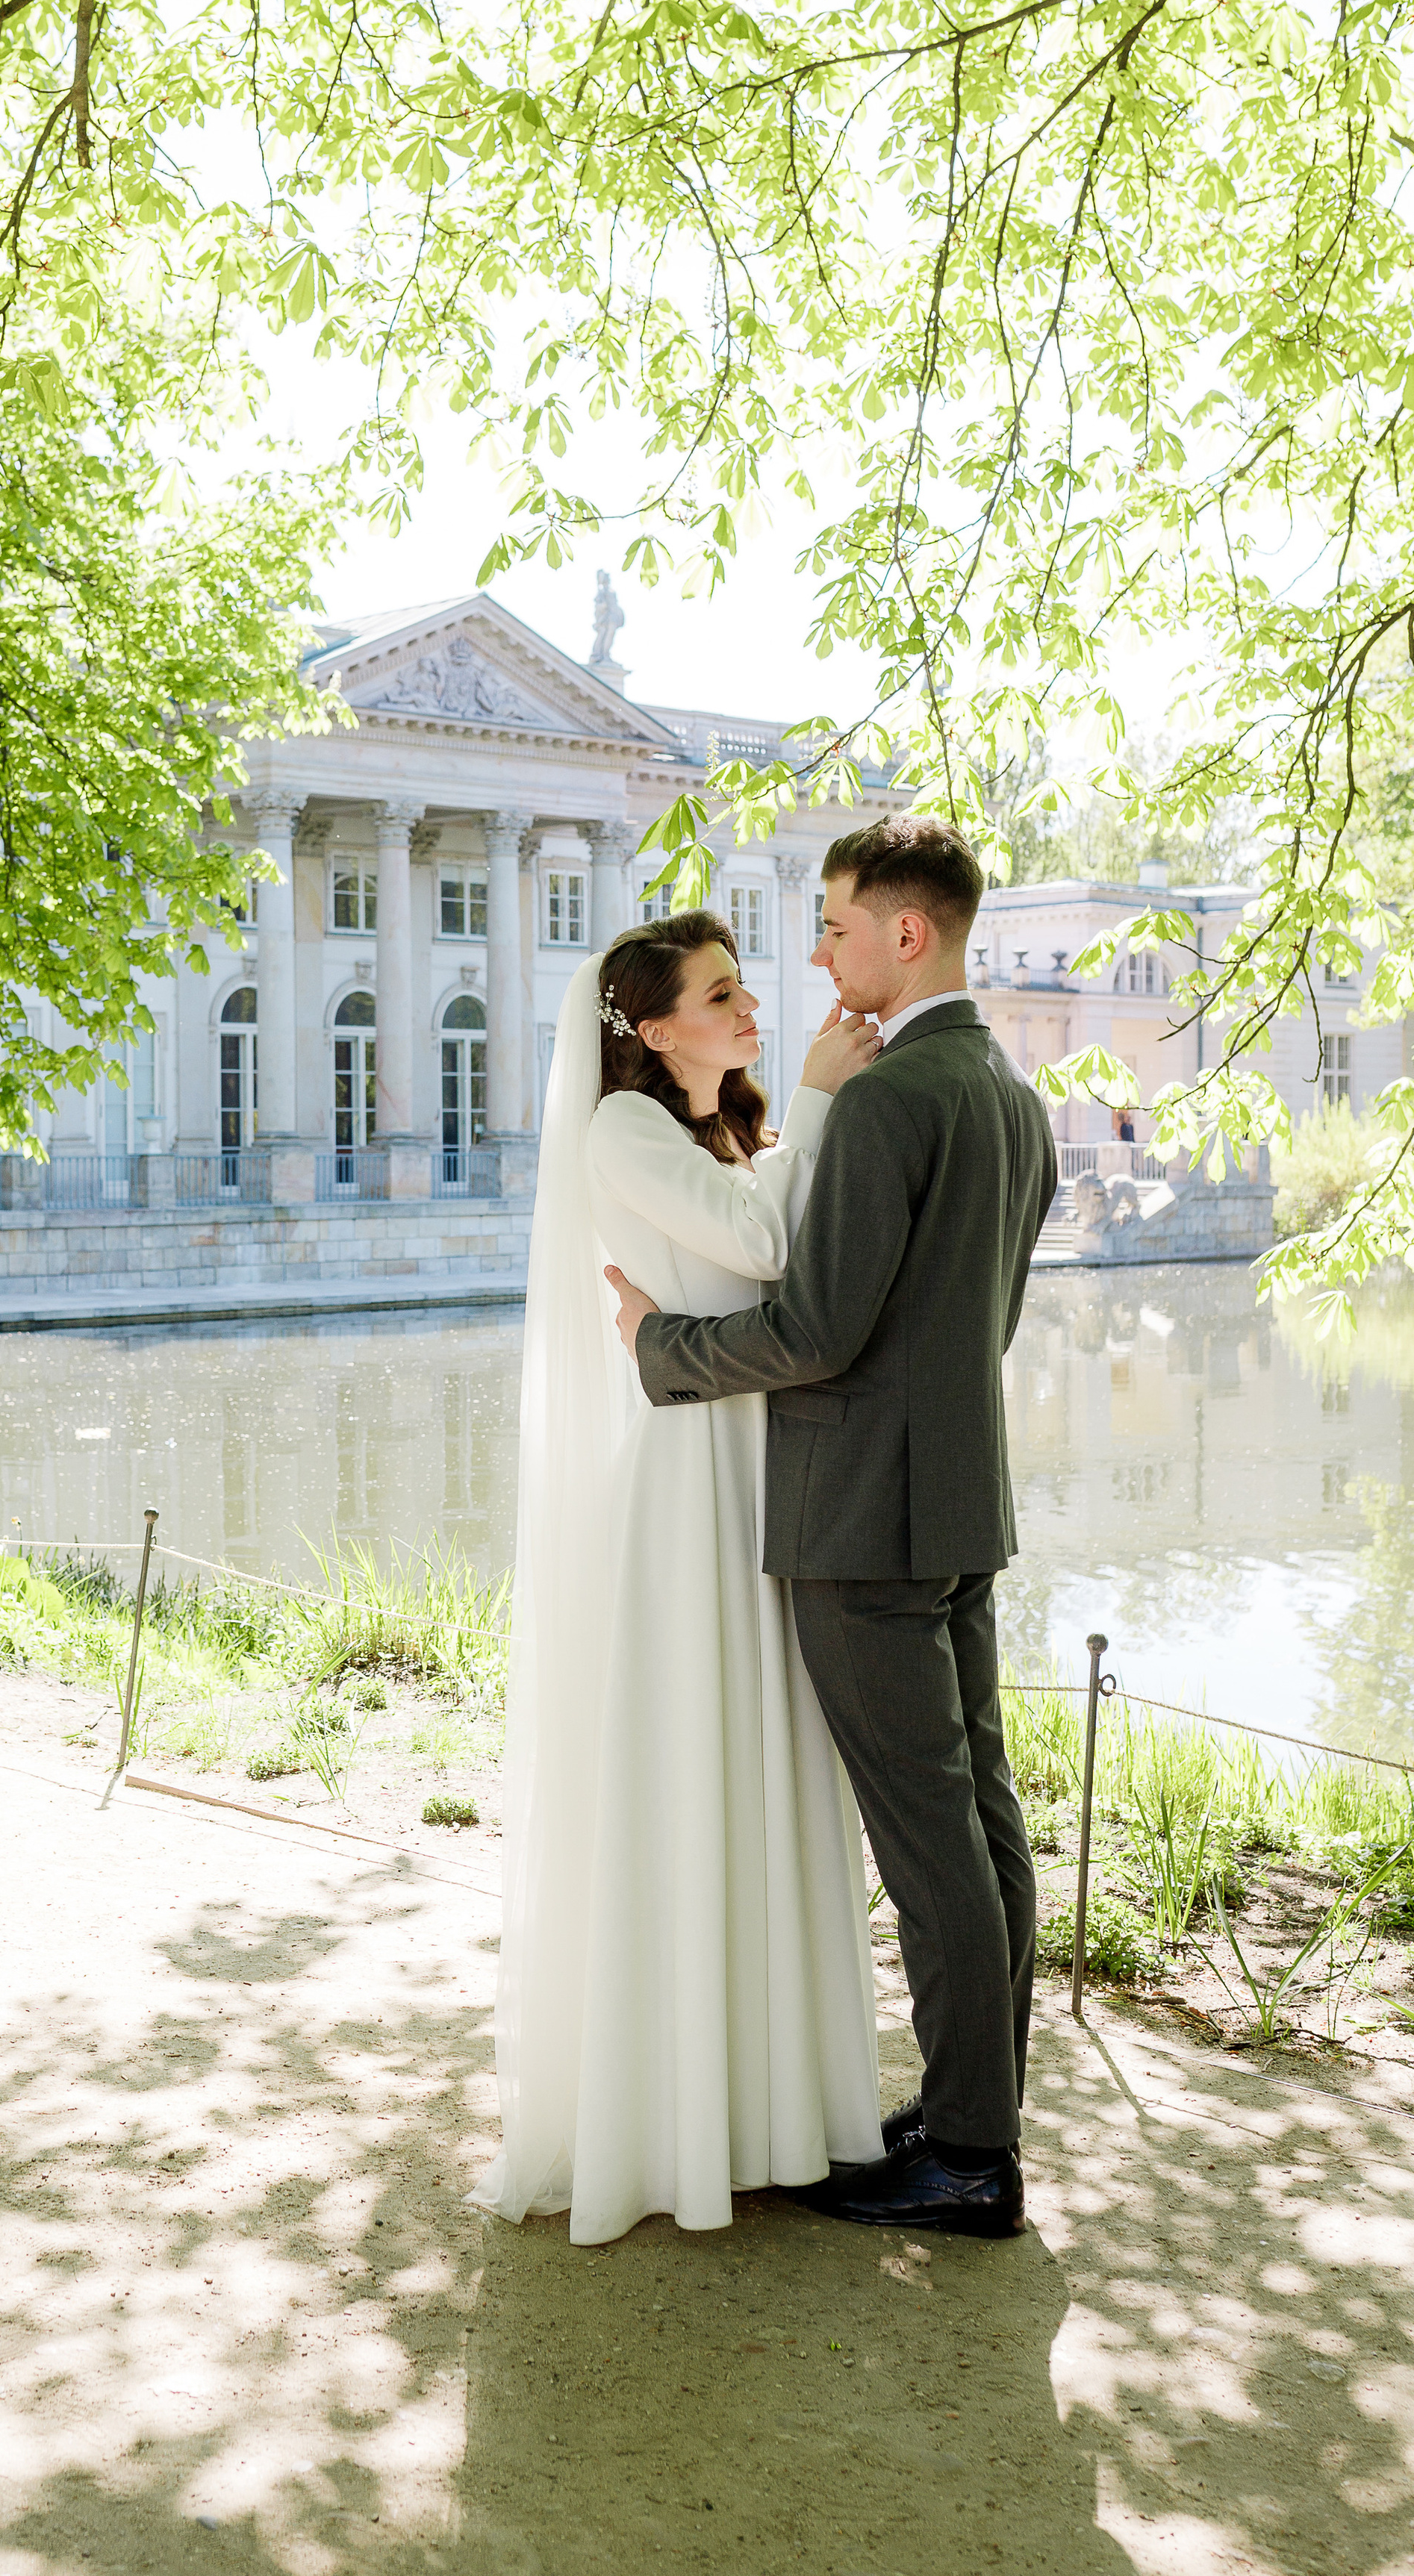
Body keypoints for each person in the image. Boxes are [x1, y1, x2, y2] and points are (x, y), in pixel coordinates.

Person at [606, 818, 1059, 2239]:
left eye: (835, 926)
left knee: (931, 1843)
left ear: (906, 935)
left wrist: (662, 1345)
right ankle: (973, 2108)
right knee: (982, 1822)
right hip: (959, 1499)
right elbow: (974, 1321)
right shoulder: (1006, 1090)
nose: (815, 954)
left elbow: (812, 1327)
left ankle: (972, 2155)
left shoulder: (878, 1103)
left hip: (861, 1519)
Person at [472, 911, 887, 2247]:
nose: (750, 1005)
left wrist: (792, 1129)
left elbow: (782, 1258)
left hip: (757, 1468)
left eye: (742, 985)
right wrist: (819, 1102)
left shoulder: (726, 1132)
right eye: (719, 993)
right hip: (685, 1489)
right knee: (690, 1772)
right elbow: (765, 1251)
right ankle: (673, 2115)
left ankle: (768, 2108)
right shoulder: (622, 1133)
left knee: (764, 1771)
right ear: (652, 1030)